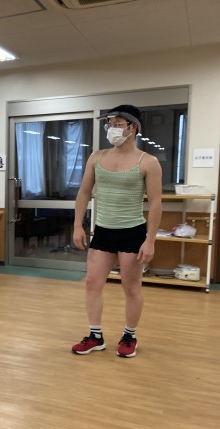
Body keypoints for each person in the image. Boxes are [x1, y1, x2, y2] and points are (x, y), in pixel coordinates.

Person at [71, 105, 162, 358]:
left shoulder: (148, 162)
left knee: (131, 287)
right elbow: (84, 192)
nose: (112, 128)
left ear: (133, 127)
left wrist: (150, 240)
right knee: (92, 283)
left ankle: (129, 336)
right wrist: (77, 225)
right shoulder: (96, 157)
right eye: (109, 123)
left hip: (132, 232)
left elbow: (156, 203)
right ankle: (95, 336)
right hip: (103, 231)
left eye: (118, 123)